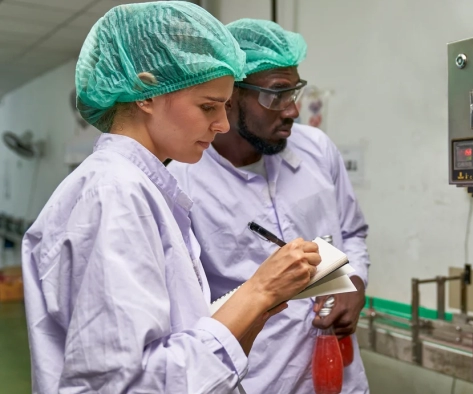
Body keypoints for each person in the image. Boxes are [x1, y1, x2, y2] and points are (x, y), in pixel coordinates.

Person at [21, 4, 321, 393]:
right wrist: (257, 290)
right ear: (147, 93)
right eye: (208, 106)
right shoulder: (114, 194)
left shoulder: (144, 188)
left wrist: (257, 311)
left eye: (225, 106)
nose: (223, 124)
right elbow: (123, 383)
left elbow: (177, 342)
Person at [168, 19, 370, 393]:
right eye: (276, 95)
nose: (292, 110)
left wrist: (355, 280)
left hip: (339, 374)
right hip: (257, 380)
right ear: (229, 97)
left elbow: (353, 231)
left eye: (294, 92)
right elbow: (184, 308)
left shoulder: (317, 150)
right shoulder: (182, 183)